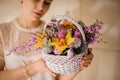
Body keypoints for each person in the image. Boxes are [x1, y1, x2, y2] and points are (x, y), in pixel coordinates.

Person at [0, 0, 94, 80]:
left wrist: (78, 65)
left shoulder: (56, 33)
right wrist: (33, 68)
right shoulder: (3, 31)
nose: (41, 7)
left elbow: (58, 78)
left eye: (47, 2)